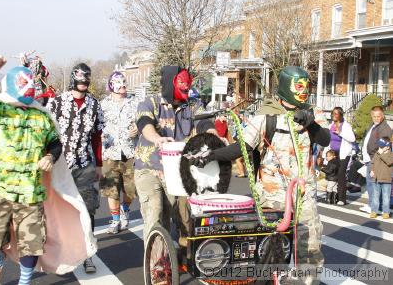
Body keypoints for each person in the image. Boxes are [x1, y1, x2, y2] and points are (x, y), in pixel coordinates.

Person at [0, 55, 96, 285]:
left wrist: (50, 156)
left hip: (30, 194)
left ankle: (24, 281)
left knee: (32, 243)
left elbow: (55, 143)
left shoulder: (41, 116)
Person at [190, 66, 330, 285]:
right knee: (271, 252)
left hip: (304, 195)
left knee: (310, 250)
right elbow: (242, 147)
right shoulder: (266, 116)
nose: (303, 90)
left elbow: (325, 139)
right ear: (286, 86)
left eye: (306, 85)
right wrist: (211, 155)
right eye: (298, 85)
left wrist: (309, 123)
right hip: (272, 197)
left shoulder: (314, 112)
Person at [134, 66, 215, 241]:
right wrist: (156, 138)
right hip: (150, 167)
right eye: (181, 86)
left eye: (187, 86)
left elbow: (204, 122)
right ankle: (156, 265)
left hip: (177, 170)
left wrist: (214, 137)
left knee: (181, 216)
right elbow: (144, 123)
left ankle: (184, 258)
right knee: (155, 214)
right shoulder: (151, 103)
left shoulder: (192, 105)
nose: (185, 89)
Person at [47, 63, 104, 273]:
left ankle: (88, 254)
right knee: (58, 211)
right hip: (60, 165)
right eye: (80, 80)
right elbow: (48, 133)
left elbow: (97, 136)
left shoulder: (94, 104)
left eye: (86, 80)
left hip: (85, 165)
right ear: (73, 79)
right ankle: (60, 252)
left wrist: (98, 163)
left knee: (88, 210)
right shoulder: (57, 103)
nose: (83, 84)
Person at [99, 71, 138, 234]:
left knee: (131, 189)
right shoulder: (103, 105)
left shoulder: (135, 103)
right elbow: (96, 125)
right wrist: (99, 134)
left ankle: (125, 209)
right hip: (110, 153)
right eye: (118, 83)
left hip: (130, 152)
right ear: (111, 85)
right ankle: (115, 220)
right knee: (111, 189)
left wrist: (139, 128)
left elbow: (144, 120)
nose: (122, 86)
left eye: (124, 83)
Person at [359, 106, 392, 214]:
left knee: (373, 184)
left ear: (382, 116)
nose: (376, 118)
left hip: (375, 159)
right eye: (374, 116)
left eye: (378, 116)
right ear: (371, 116)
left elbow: (384, 147)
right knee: (371, 183)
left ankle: (374, 207)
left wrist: (375, 159)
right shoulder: (374, 125)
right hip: (370, 158)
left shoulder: (384, 128)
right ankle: (374, 205)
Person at [323, 107, 355, 205]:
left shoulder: (346, 126)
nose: (334, 115)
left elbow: (352, 139)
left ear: (340, 115)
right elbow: (328, 140)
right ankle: (334, 195)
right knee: (333, 174)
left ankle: (342, 199)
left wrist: (340, 133)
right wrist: (325, 153)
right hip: (333, 154)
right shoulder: (331, 125)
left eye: (336, 114)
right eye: (333, 113)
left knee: (341, 175)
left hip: (344, 154)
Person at [369, 137, 392, 219]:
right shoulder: (377, 153)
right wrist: (371, 170)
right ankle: (374, 211)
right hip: (376, 178)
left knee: (386, 197)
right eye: (379, 146)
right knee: (375, 196)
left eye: (382, 147)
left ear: (388, 147)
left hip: (386, 179)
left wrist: (381, 153)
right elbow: (373, 162)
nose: (380, 148)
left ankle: (386, 212)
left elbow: (389, 162)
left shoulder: (391, 155)